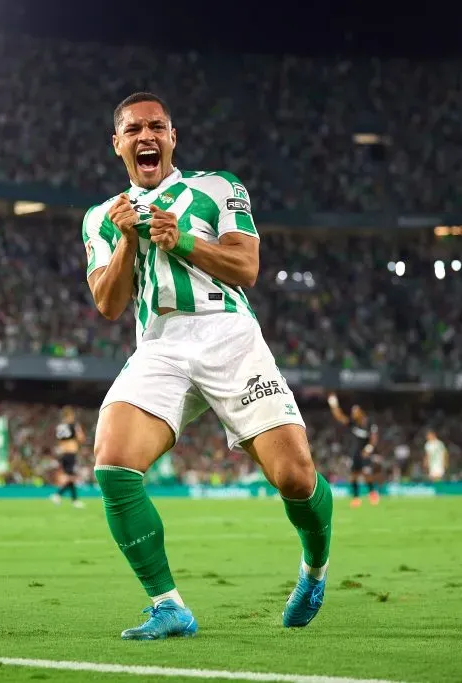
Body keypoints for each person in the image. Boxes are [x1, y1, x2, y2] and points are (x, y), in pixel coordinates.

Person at [82, 92, 333, 640]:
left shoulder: (218, 187)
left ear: (172, 137)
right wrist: (127, 241)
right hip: (161, 342)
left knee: (294, 477)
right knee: (112, 461)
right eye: (134, 129)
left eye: (158, 127)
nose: (146, 136)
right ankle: (169, 605)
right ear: (117, 143)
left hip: (229, 336)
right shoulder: (102, 217)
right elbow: (107, 303)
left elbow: (247, 266)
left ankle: (314, 570)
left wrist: (184, 241)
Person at [327, 394, 379, 507]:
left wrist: (368, 449)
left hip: (366, 452)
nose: (353, 414)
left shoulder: (370, 423)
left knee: (366, 473)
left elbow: (374, 437)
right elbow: (340, 417)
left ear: (360, 412)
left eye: (355, 412)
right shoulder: (353, 423)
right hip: (355, 452)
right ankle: (356, 498)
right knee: (354, 475)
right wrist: (334, 405)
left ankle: (372, 494)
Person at [50, 407, 86, 508]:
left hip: (63, 453)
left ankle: (74, 500)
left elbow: (60, 440)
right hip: (71, 453)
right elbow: (81, 439)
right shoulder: (73, 425)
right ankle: (58, 495)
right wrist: (78, 429)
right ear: (69, 415)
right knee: (71, 477)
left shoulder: (60, 426)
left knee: (70, 477)